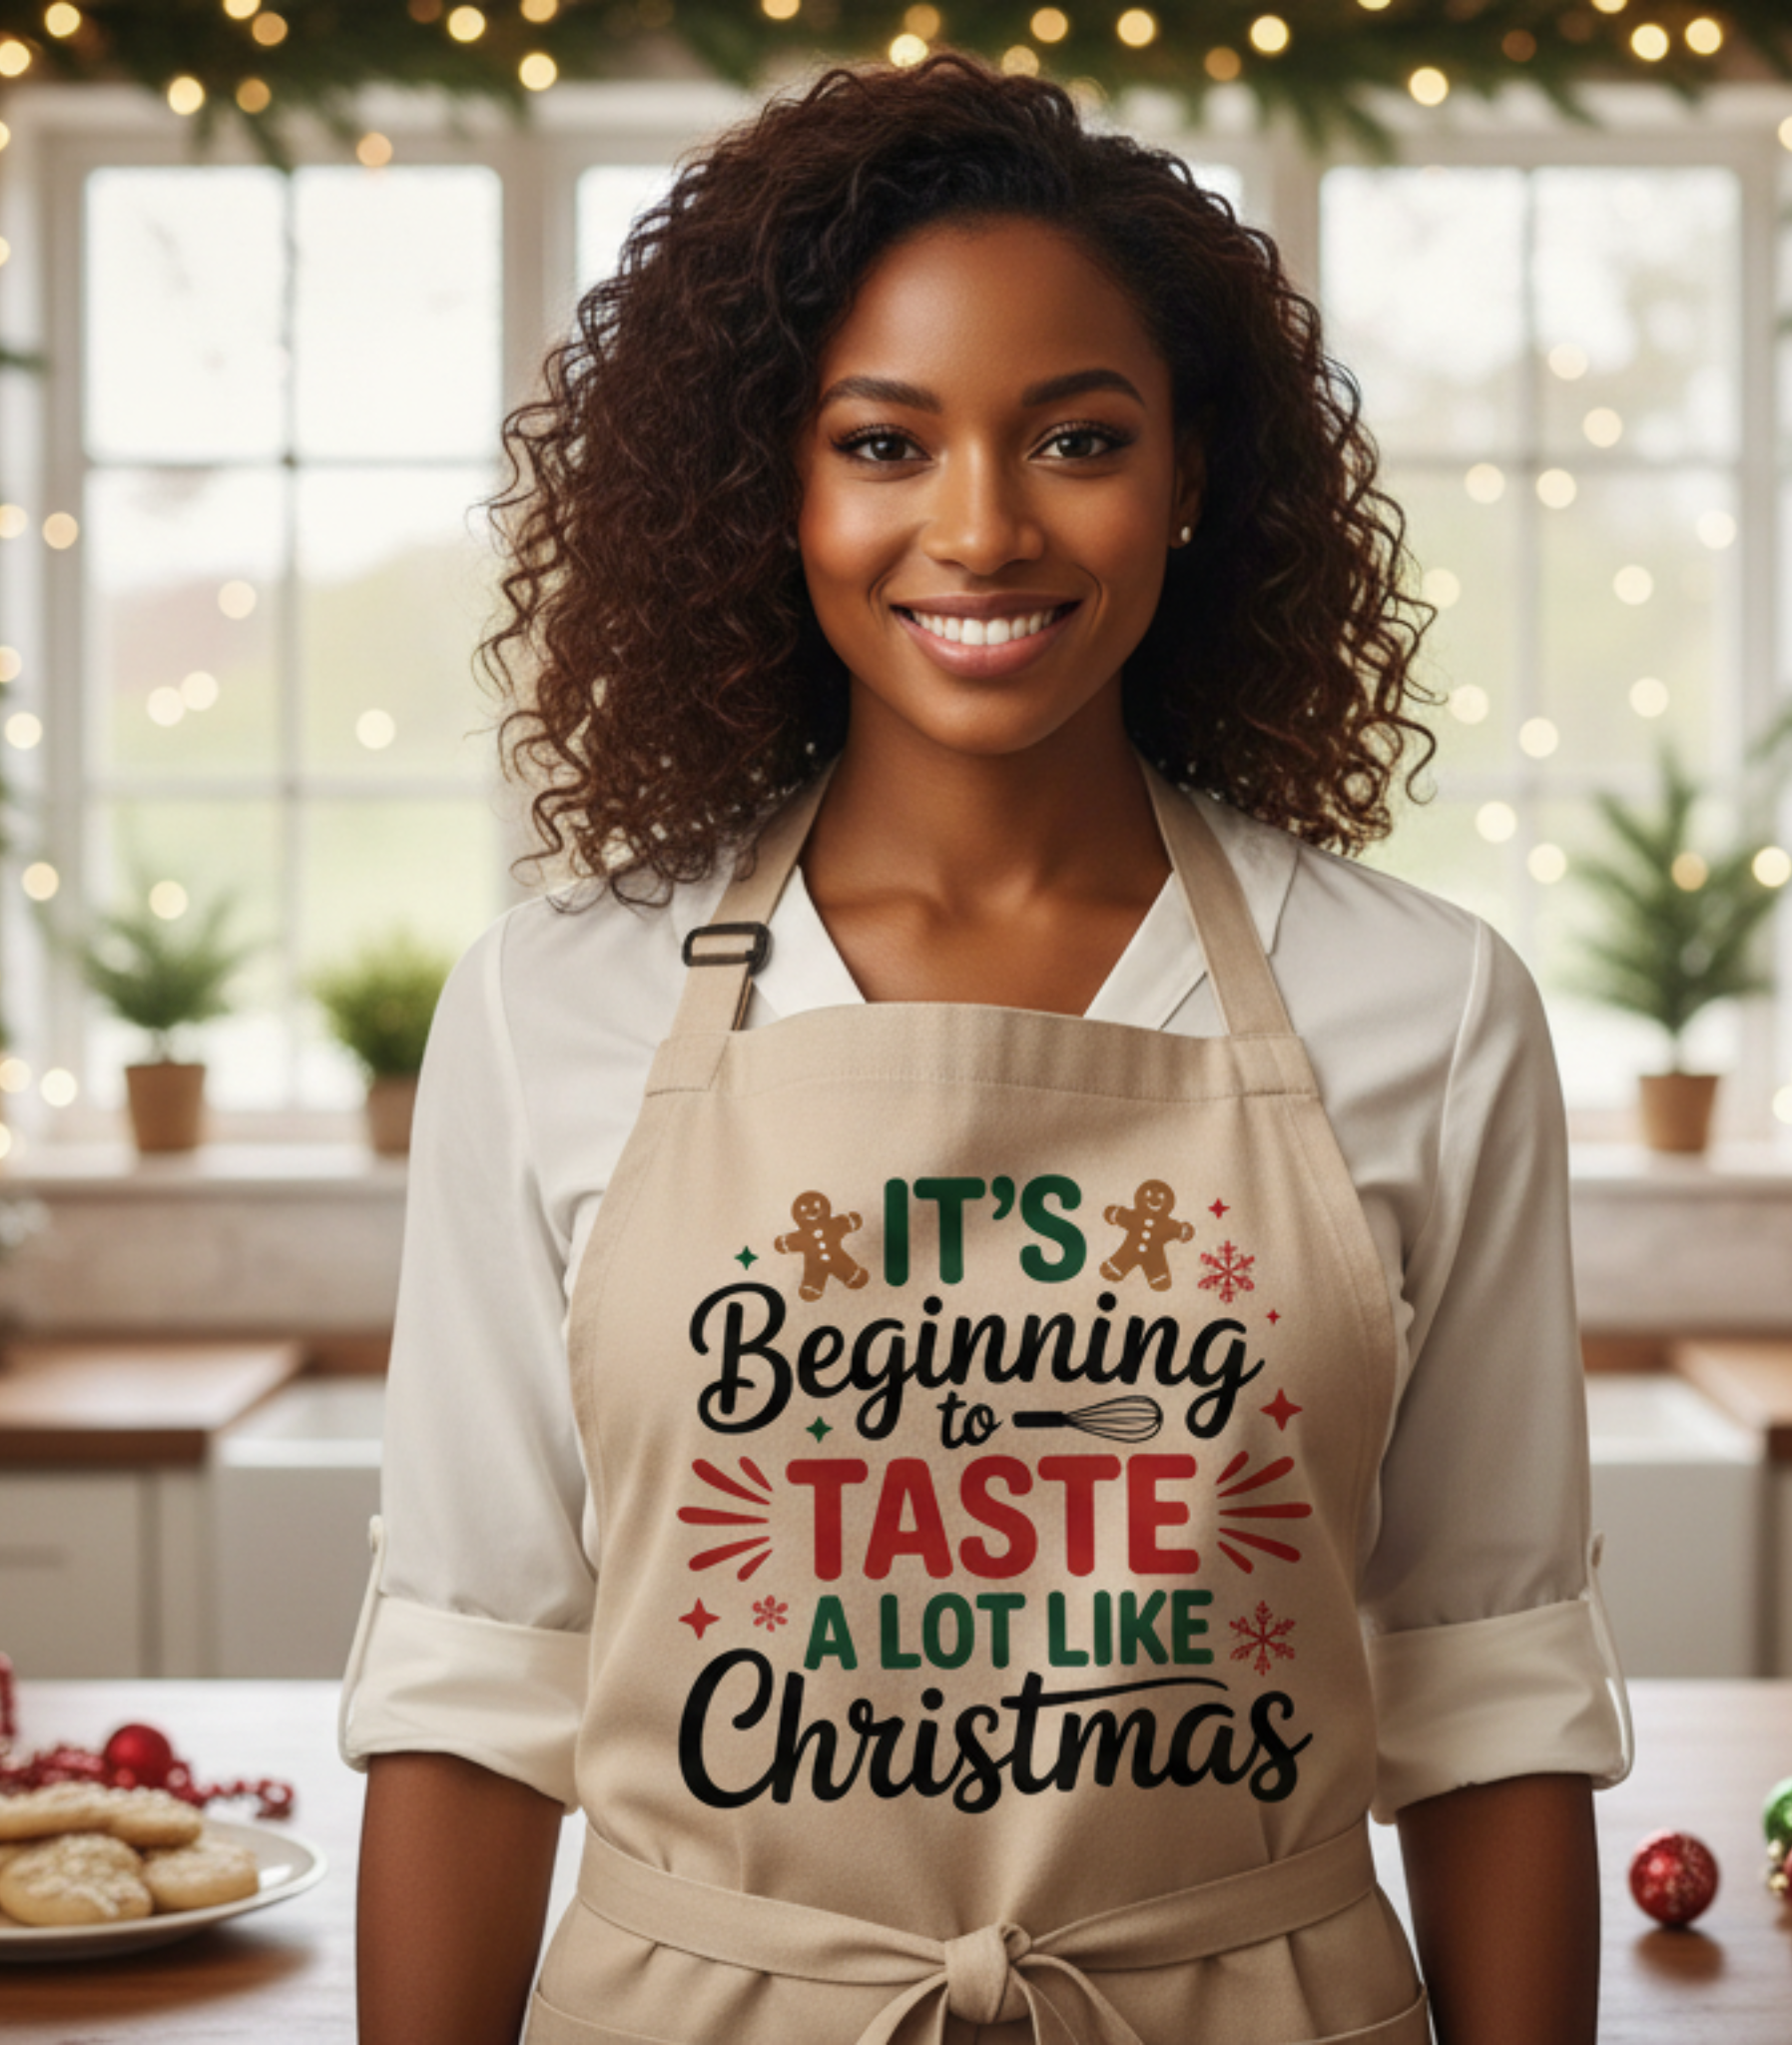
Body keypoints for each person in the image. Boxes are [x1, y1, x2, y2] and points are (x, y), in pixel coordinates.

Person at [346, 53, 1631, 2045]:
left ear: (1192, 473)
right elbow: (472, 1675)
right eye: (881, 441)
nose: (979, 528)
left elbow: (1489, 1681)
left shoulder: (1427, 1007)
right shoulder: (552, 1002)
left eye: (1075, 437)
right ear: (765, 483)